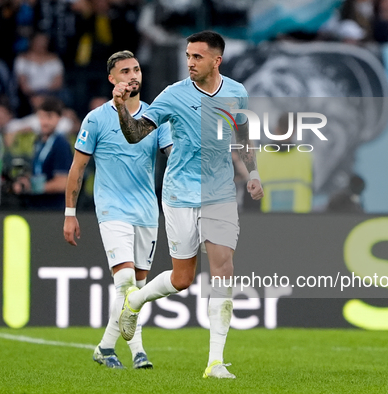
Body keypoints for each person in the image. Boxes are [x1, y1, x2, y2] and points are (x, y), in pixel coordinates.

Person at [112, 30, 263, 379]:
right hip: (179, 193)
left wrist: (252, 172)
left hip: (221, 192)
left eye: (197, 57)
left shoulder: (237, 92)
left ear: (216, 60)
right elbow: (135, 134)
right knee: (183, 279)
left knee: (224, 268)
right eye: (188, 56)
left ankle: (215, 362)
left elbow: (241, 136)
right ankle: (135, 301)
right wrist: (122, 108)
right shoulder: (173, 95)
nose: (190, 62)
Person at [63, 50, 172, 369]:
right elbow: (77, 169)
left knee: (138, 291)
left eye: (136, 69)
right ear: (113, 79)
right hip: (112, 209)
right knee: (125, 283)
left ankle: (105, 347)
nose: (133, 75)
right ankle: (138, 352)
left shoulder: (155, 116)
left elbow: (172, 155)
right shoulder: (96, 118)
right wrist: (70, 214)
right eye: (125, 71)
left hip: (147, 211)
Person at [12, 96, 72, 209]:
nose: (44, 122)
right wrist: (25, 181)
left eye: (49, 117)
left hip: (53, 208)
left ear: (59, 118)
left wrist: (34, 187)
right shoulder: (38, 141)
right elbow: (39, 171)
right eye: (41, 117)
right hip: (37, 205)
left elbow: (63, 183)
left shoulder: (61, 144)